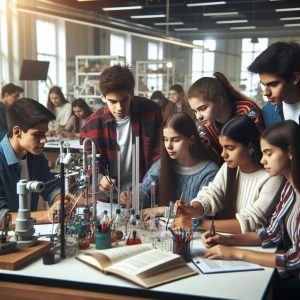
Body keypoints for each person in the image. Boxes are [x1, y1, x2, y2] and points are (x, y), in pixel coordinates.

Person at [201, 120, 300, 299]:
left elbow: (294, 261)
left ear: (291, 151)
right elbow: (271, 233)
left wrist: (237, 253)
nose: (262, 160)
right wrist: (226, 240)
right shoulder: (289, 188)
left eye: (269, 153)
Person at [175, 115, 283, 233]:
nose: (223, 154)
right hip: (229, 241)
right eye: (222, 148)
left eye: (230, 148)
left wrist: (197, 223)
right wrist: (193, 209)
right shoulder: (230, 167)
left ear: (250, 147)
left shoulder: (273, 177)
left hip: (255, 247)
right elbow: (212, 193)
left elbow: (250, 222)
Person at [80, 65, 162, 201]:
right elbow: (90, 164)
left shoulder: (152, 112)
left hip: (147, 194)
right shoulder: (91, 126)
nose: (119, 108)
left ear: (131, 94)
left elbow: (159, 155)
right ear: (103, 97)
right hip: (109, 199)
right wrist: (100, 179)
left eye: (124, 100)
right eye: (112, 102)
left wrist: (141, 192)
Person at [135, 112, 219, 220]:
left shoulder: (209, 172)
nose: (169, 146)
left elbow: (200, 217)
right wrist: (131, 197)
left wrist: (162, 210)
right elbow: (145, 190)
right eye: (166, 139)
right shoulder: (161, 164)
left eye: (176, 140)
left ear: (191, 140)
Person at [0, 98, 61, 222]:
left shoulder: (36, 157)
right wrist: (46, 215)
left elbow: (50, 187)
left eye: (45, 134)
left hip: (30, 234)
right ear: (17, 132)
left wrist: (60, 203)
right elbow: (2, 218)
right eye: (38, 135)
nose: (44, 140)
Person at [188, 72, 264, 164]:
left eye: (203, 108)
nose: (198, 116)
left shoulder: (247, 111)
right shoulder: (206, 126)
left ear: (220, 101)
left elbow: (259, 148)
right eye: (195, 111)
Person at [248, 41, 300, 126]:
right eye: (263, 84)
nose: (266, 93)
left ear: (294, 78)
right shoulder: (267, 112)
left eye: (273, 84)